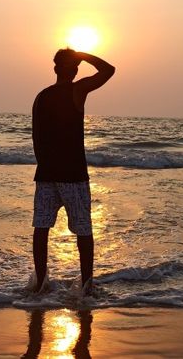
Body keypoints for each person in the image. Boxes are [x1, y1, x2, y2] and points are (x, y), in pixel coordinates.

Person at [30, 47, 115, 295]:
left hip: (46, 173)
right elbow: (109, 70)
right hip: (73, 174)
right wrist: (84, 54)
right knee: (83, 230)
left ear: (55, 68)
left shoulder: (41, 96)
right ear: (76, 69)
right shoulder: (77, 89)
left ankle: (40, 284)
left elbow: (36, 137)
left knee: (41, 228)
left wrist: (44, 163)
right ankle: (87, 285)